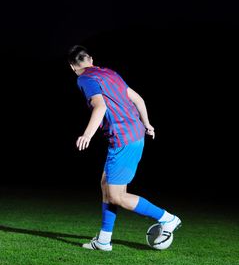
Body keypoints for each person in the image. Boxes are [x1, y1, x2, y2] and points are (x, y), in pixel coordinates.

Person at [68, 45, 182, 251]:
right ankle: (104, 240)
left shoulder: (83, 78)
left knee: (116, 195)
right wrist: (147, 123)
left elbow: (100, 106)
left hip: (124, 140)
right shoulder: (110, 73)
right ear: (91, 58)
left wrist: (87, 134)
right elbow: (138, 99)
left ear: (71, 66)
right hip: (132, 134)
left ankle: (168, 218)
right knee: (106, 183)